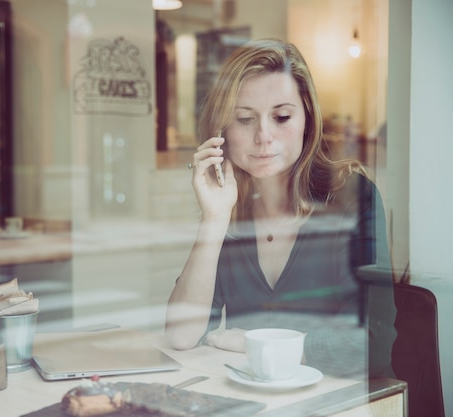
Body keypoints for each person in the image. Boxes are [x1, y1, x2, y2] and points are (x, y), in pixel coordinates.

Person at [165, 39, 396, 378]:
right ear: (222, 131)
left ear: (307, 119)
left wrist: (259, 345)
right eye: (244, 119)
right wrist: (214, 220)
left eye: (282, 116)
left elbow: (373, 345)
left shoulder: (351, 196)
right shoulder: (230, 208)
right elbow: (181, 335)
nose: (263, 135)